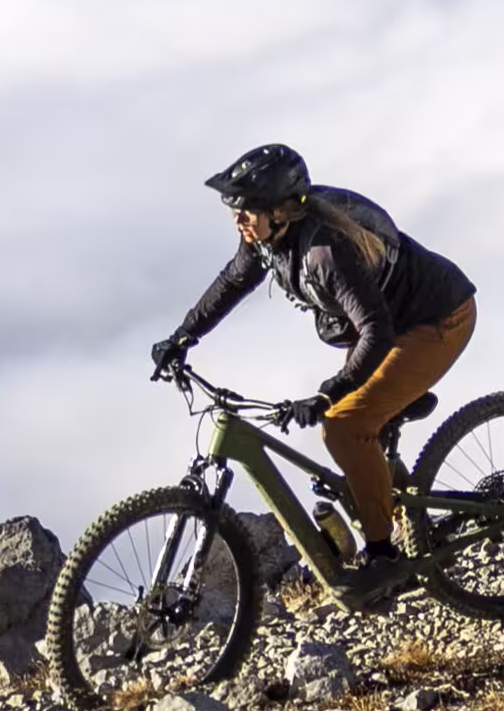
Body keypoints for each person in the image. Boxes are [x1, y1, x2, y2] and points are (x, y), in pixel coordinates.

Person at [150, 144, 477, 610]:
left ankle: (385, 557)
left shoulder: (326, 252)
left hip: (437, 320)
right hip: (388, 328)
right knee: (355, 421)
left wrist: (330, 393)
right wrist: (182, 336)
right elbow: (231, 282)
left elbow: (376, 331)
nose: (238, 221)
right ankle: (403, 503)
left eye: (246, 211)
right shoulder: (268, 239)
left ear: (281, 212)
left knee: (343, 427)